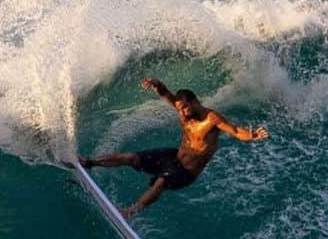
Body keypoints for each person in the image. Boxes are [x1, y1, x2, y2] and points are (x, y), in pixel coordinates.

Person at [80, 78, 269, 218]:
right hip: (174, 157)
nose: (182, 113)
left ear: (195, 102)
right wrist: (156, 84)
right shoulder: (183, 111)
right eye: (179, 109)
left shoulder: (212, 119)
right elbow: (166, 94)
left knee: (161, 183)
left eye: (185, 108)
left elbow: (235, 130)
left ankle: (129, 212)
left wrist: (251, 136)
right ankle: (89, 162)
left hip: (187, 172)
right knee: (132, 158)